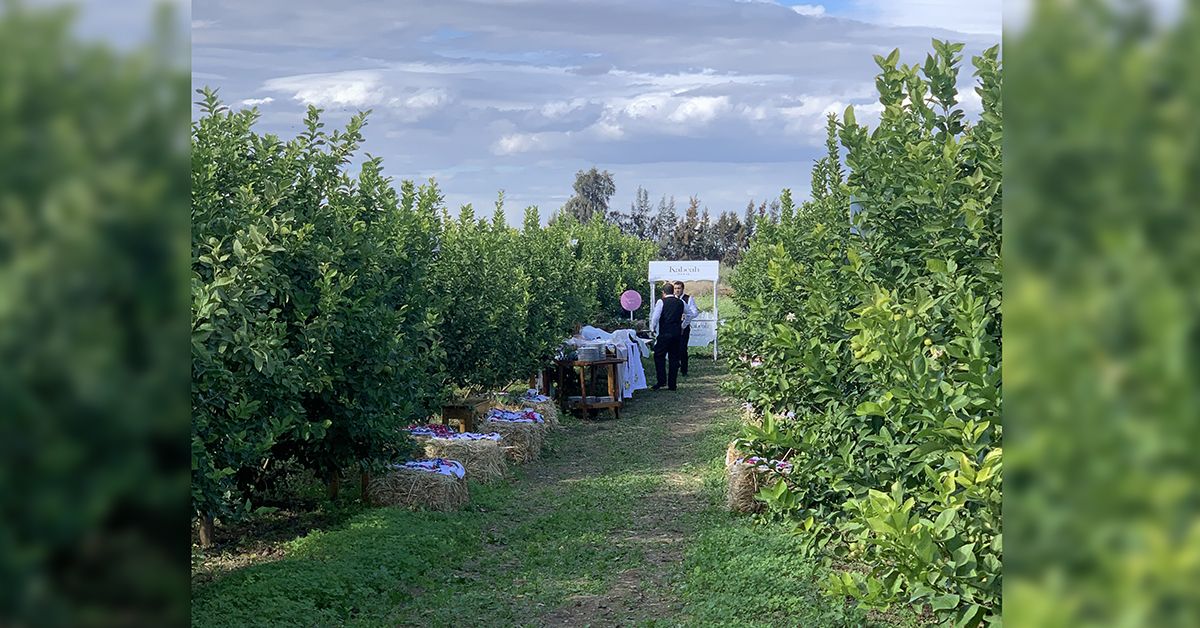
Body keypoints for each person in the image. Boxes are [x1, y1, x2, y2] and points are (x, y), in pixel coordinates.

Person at [649, 281, 685, 390]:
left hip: (664, 334)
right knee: (674, 358)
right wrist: (683, 325)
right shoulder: (680, 302)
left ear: (663, 292)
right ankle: (672, 385)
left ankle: (661, 381)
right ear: (673, 291)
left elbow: (655, 317)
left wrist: (652, 328)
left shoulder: (661, 301)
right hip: (676, 334)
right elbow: (692, 313)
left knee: (659, 356)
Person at [673, 280, 700, 376]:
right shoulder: (671, 299)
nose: (677, 290)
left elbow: (695, 312)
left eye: (679, 288)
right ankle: (675, 366)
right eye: (675, 288)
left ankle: (684, 370)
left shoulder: (688, 299)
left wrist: (685, 318)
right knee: (674, 348)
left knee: (683, 348)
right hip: (673, 326)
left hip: (684, 325)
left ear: (682, 289)